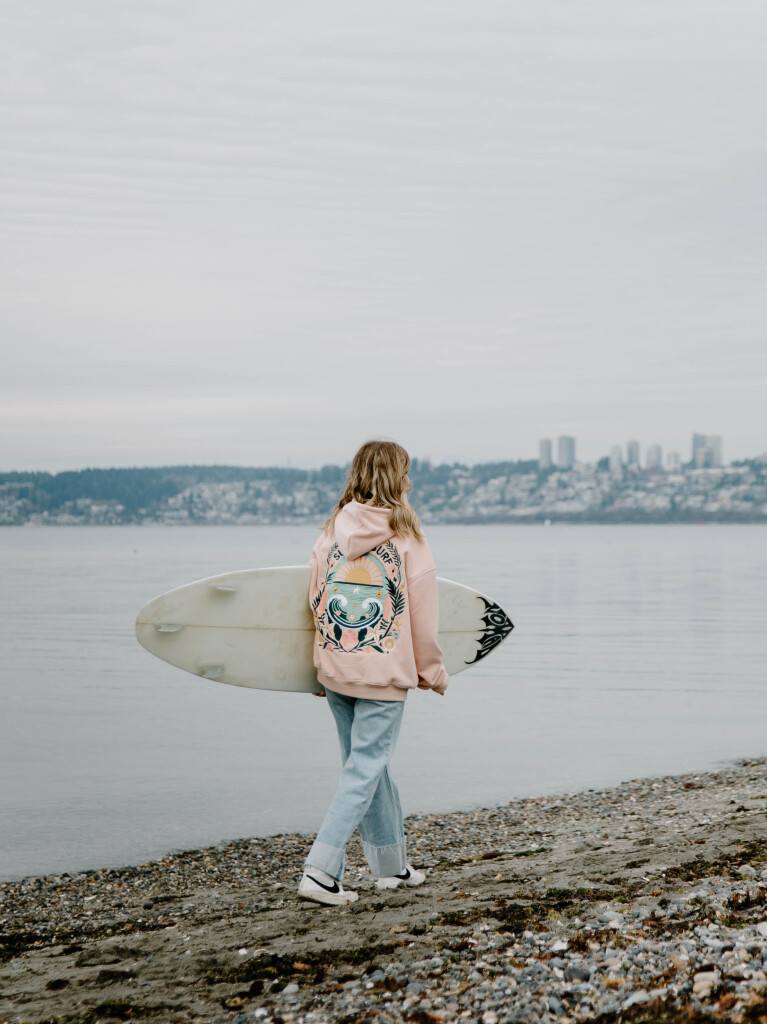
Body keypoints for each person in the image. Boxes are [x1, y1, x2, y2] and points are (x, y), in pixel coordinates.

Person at [298, 440, 448, 906]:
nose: (410, 481)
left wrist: (320, 664)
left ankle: (390, 866)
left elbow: (316, 601)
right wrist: (431, 671)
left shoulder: (331, 533)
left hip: (336, 668)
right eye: (406, 472)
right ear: (394, 478)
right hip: (383, 673)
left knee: (366, 767)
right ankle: (320, 871)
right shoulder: (408, 538)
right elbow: (422, 616)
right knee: (364, 769)